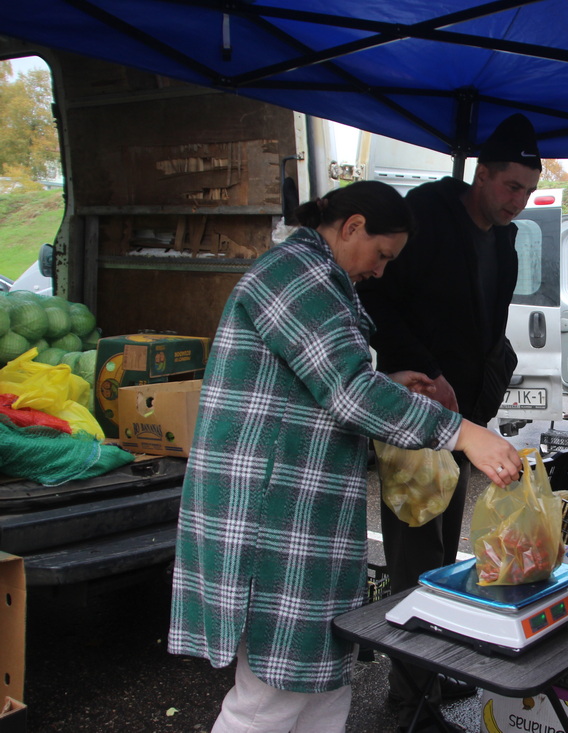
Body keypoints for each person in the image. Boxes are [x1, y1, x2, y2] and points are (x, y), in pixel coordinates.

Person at [167, 181, 522, 733]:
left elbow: (320, 379)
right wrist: (464, 434)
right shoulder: (296, 276)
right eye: (381, 255)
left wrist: (392, 383)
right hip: (269, 512)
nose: (381, 272)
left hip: (303, 510)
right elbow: (348, 391)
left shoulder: (322, 277)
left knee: (324, 686)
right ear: (352, 226)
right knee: (269, 697)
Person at [356, 113, 541, 725]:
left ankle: (431, 679)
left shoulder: (505, 239)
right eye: (511, 186)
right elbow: (375, 298)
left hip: (466, 420)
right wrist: (425, 371)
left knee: (444, 564)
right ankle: (407, 703)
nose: (519, 201)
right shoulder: (427, 217)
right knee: (414, 565)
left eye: (528, 191)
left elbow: (487, 324)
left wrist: (483, 388)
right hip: (415, 415)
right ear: (481, 174)